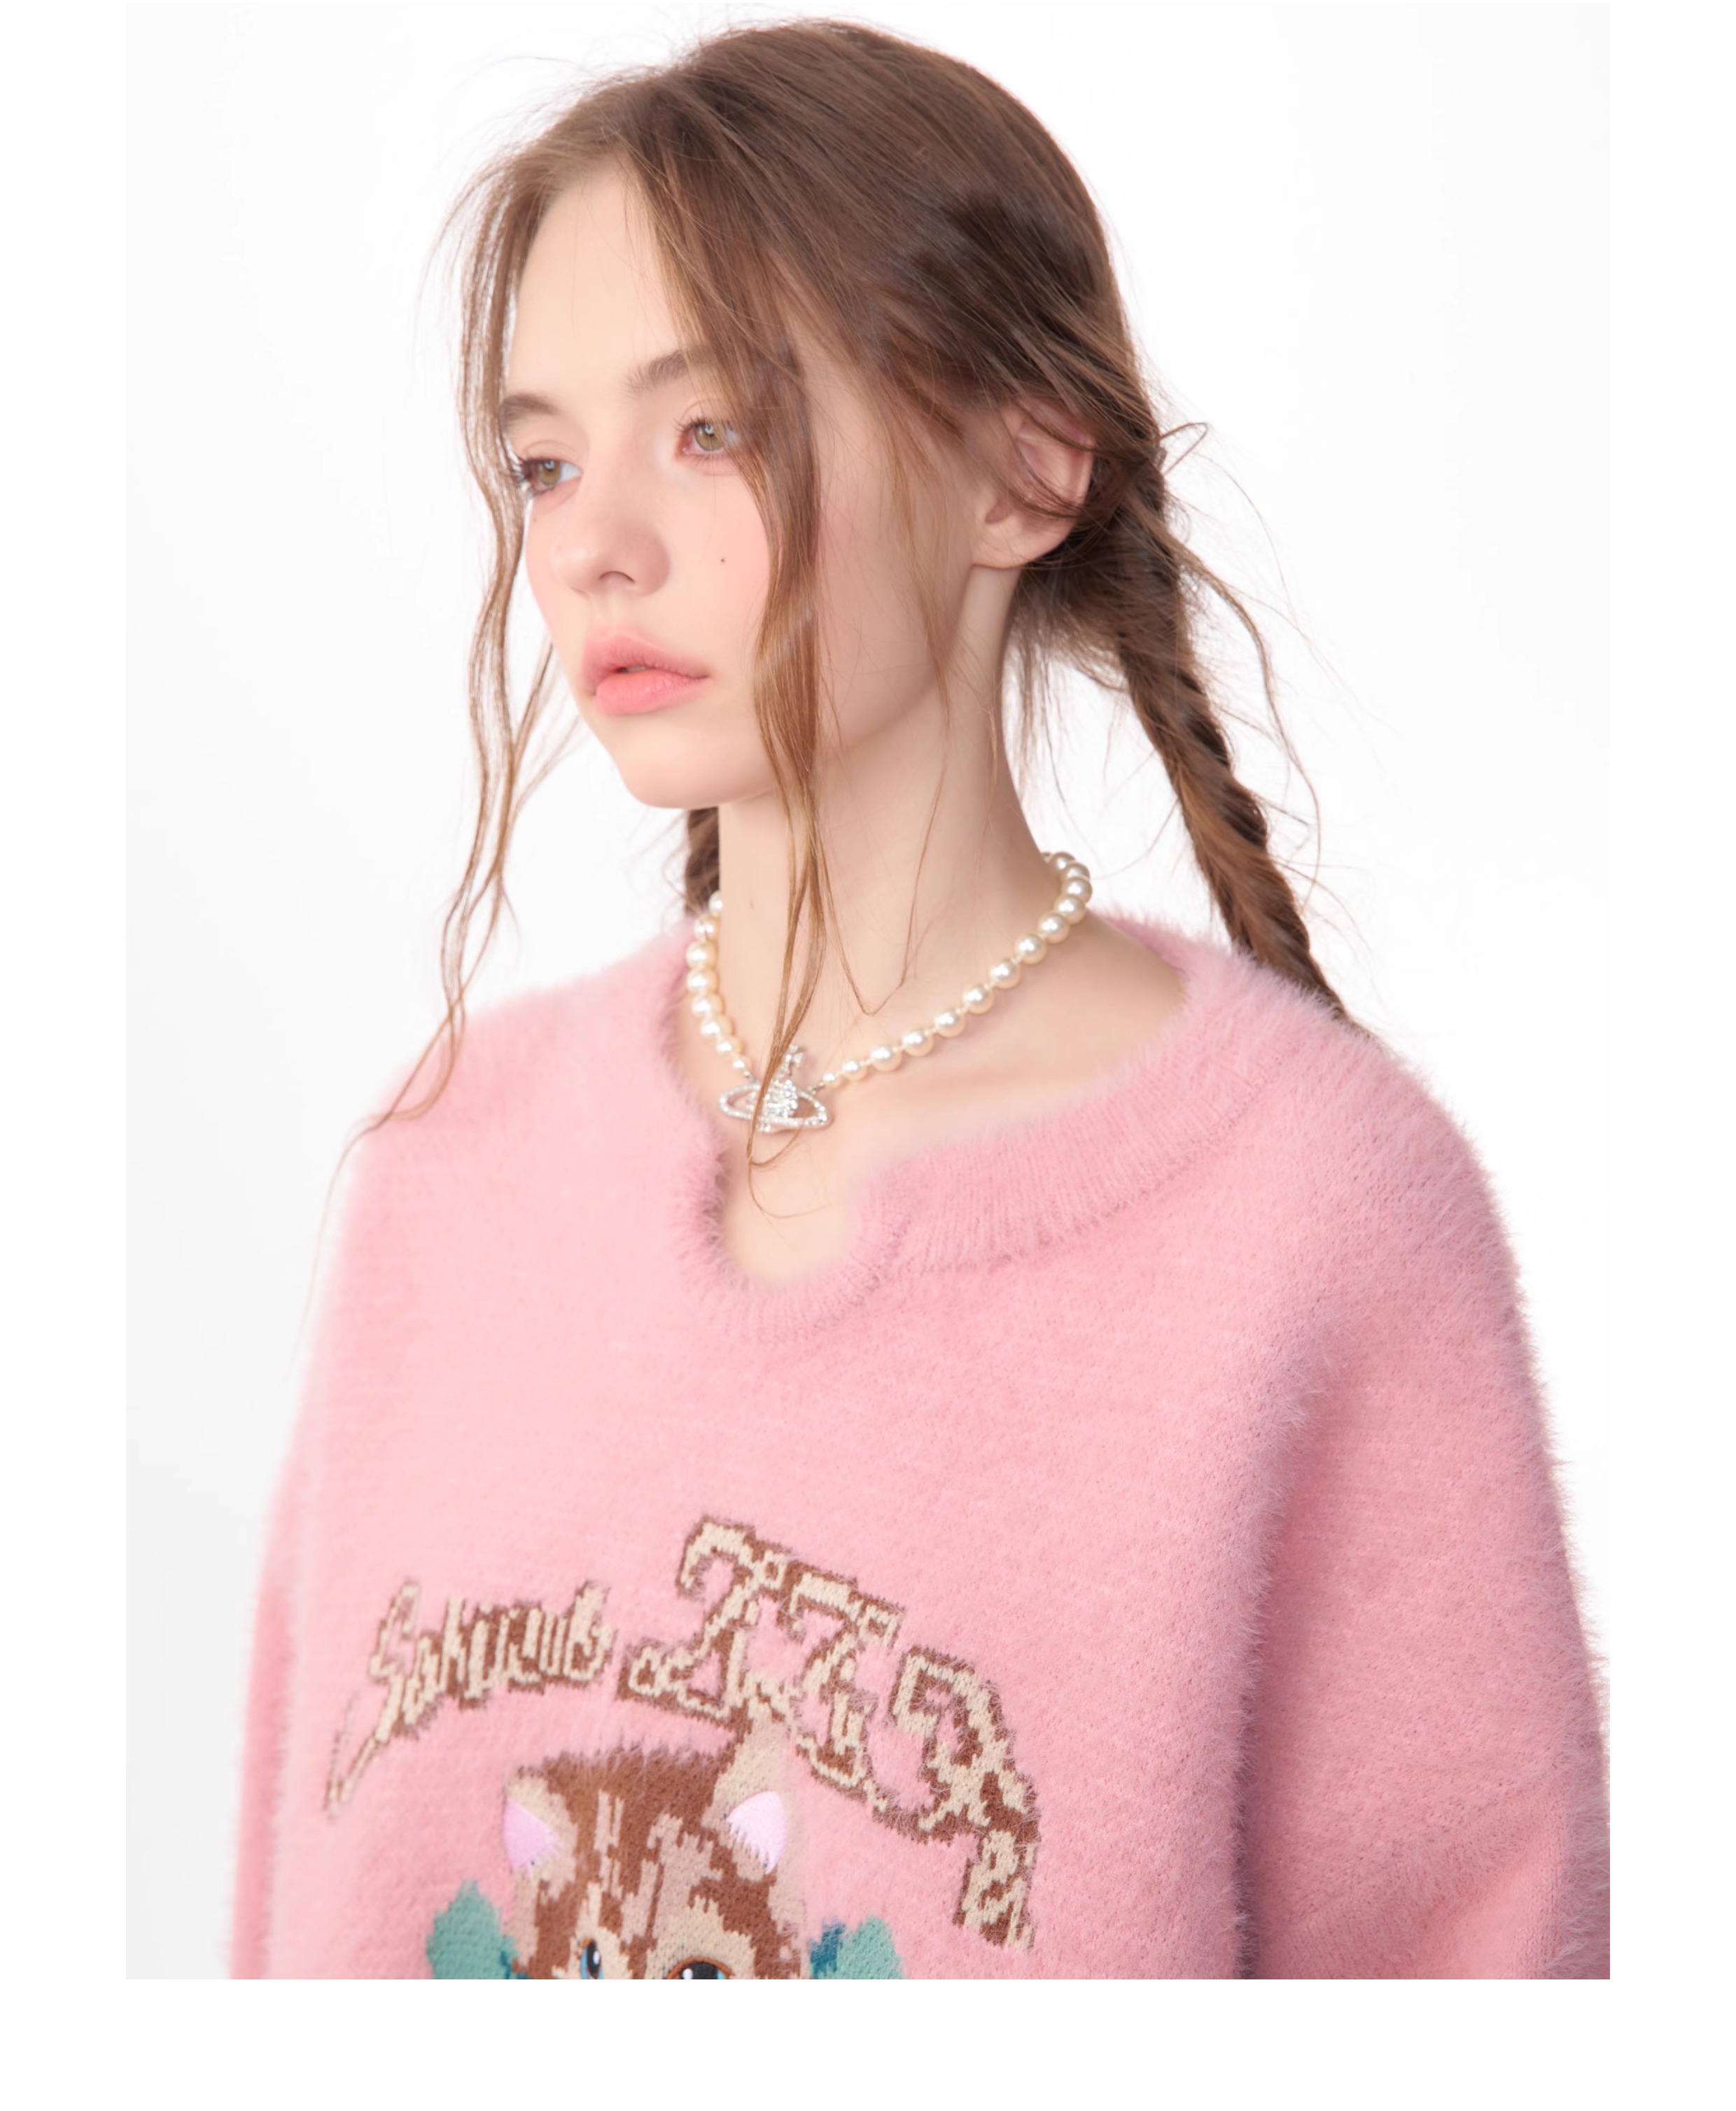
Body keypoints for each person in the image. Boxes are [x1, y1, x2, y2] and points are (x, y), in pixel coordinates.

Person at [231, 19, 1608, 1979]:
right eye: (543, 461)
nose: (593, 546)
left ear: (1027, 467)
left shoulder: (1315, 1214)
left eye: (713, 429)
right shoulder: (447, 1171)